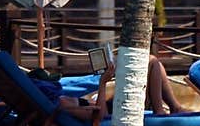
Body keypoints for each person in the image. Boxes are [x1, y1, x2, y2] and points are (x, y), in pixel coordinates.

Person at [27, 52, 186, 121]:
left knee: (154, 63)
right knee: (151, 61)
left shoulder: (57, 101)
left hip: (112, 105)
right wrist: (102, 83)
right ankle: (161, 110)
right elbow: (99, 116)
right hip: (116, 112)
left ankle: (174, 107)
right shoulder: (61, 103)